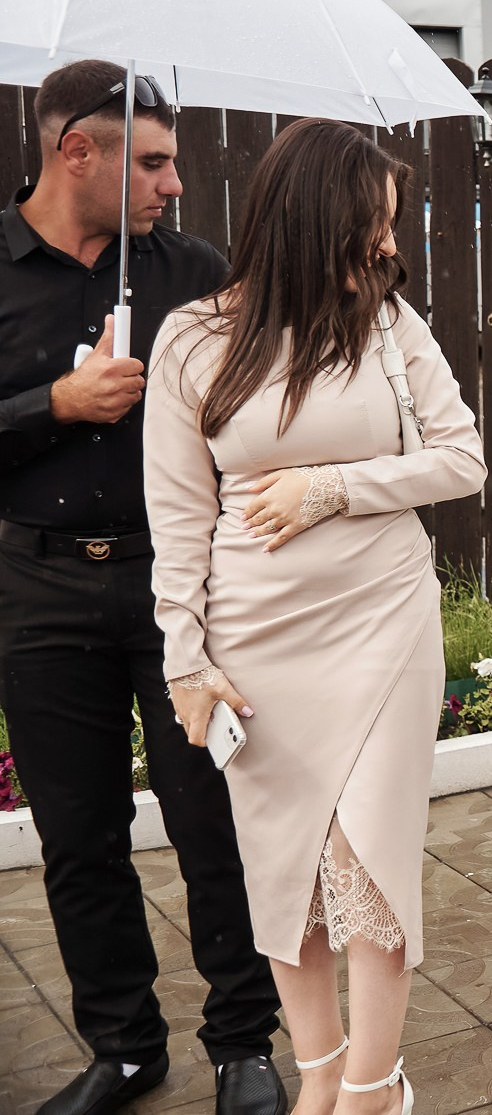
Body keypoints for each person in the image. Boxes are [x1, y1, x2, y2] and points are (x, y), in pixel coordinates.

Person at [145, 119, 486, 1115]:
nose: (388, 244)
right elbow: (178, 515)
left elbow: (461, 461)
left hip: (382, 619)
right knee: (289, 865)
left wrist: (334, 487)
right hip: (255, 635)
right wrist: (184, 660)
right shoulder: (194, 339)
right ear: (314, 219)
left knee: (367, 861)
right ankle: (323, 1078)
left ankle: (376, 1090)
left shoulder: (387, 326)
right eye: (373, 224)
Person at [0, 60, 285, 1115]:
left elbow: (259, 416)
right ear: (79, 151)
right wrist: (54, 405)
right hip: (37, 592)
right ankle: (123, 1046)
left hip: (182, 594)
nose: (174, 184)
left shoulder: (195, 272)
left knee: (215, 819)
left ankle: (243, 1042)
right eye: (154, 162)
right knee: (79, 838)